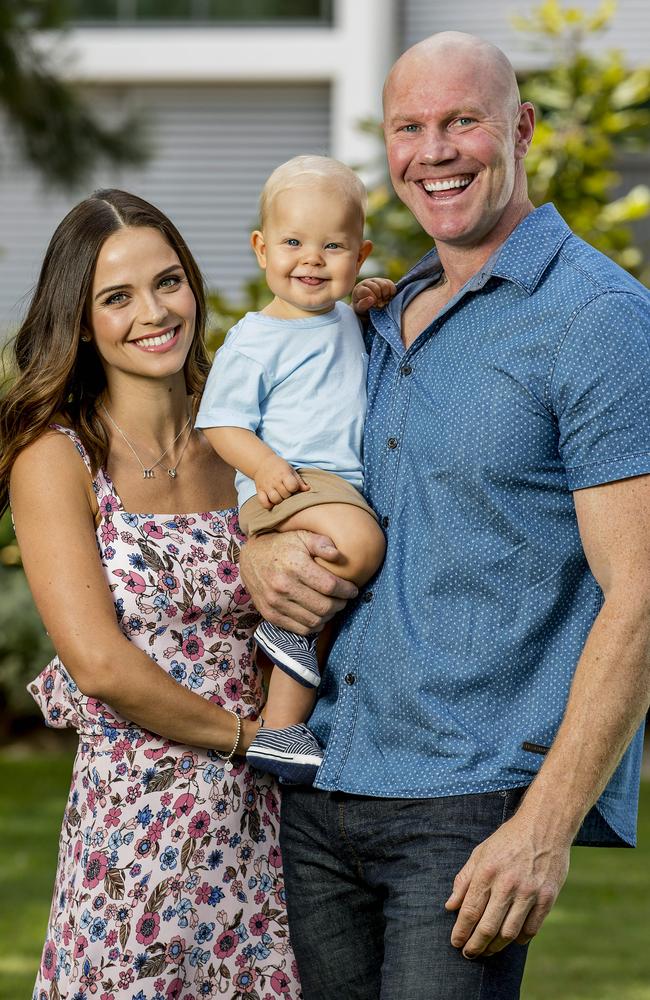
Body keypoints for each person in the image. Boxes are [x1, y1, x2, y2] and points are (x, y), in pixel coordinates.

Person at [238, 31, 650, 1000]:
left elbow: (637, 591)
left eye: (461, 120)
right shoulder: (376, 314)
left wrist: (543, 826)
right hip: (325, 779)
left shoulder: (594, 316)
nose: (435, 150)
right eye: (408, 127)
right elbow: (310, 478)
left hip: (463, 807)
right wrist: (262, 551)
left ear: (519, 127)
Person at [0, 189, 301, 1000]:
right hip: (136, 835)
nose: (153, 312)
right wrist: (249, 740)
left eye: (168, 282)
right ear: (82, 320)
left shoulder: (249, 427)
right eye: (117, 297)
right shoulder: (57, 458)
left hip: (274, 826)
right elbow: (97, 663)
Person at [195, 156, 390, 783]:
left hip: (333, 486)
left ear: (358, 256)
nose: (311, 258)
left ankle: (281, 731)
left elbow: (343, 345)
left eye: (332, 246)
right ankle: (286, 638)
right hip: (291, 483)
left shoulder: (342, 319)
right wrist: (265, 464)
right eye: (293, 242)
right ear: (260, 249)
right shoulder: (254, 339)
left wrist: (367, 302)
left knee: (324, 604)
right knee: (359, 546)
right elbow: (219, 422)